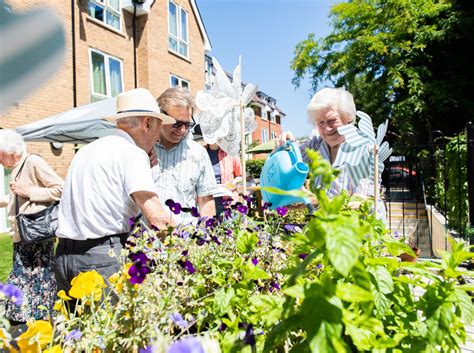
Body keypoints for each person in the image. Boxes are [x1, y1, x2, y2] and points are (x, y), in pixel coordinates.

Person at [55, 88, 175, 293]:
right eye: (158, 128)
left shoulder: (87, 150)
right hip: (101, 259)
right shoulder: (132, 154)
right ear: (147, 123)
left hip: (65, 258)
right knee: (112, 324)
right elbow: (156, 218)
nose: (158, 138)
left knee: (76, 324)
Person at [280, 87, 386, 218]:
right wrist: (284, 145)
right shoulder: (316, 144)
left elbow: (361, 203)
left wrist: (317, 201)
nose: (327, 128)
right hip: (330, 230)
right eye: (320, 123)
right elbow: (285, 162)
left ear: (347, 117)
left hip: (363, 231)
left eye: (332, 121)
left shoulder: (366, 149)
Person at [0, 129, 64, 325]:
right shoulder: (17, 168)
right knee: (34, 283)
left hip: (36, 236)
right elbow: (19, 201)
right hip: (23, 238)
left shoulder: (33, 162)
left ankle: (29, 324)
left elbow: (61, 188)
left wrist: (30, 191)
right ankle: (37, 323)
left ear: (11, 150)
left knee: (29, 282)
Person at [152, 87, 217, 224]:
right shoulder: (144, 150)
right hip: (146, 240)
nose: (182, 130)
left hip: (186, 239)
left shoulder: (198, 154)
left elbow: (206, 202)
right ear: (160, 116)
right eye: (176, 123)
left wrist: (206, 235)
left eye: (187, 124)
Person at [204, 143, 243, 215]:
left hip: (227, 199)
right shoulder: (201, 152)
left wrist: (233, 183)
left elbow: (240, 175)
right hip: (206, 200)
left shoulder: (230, 153)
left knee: (228, 225)